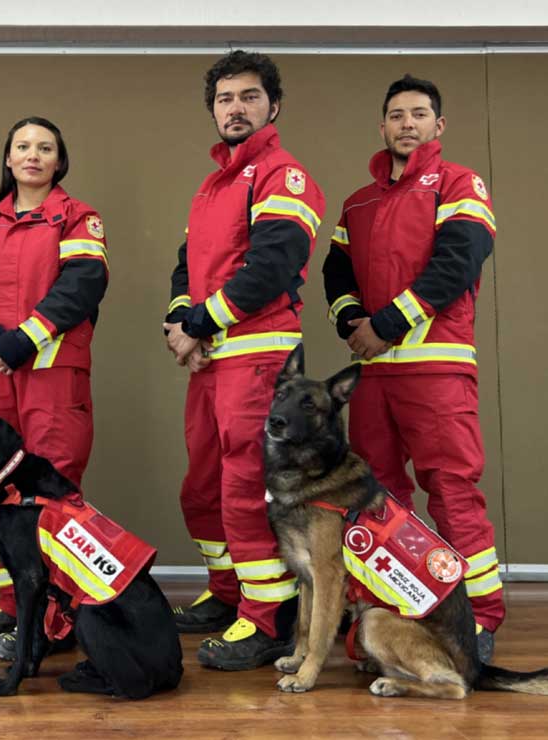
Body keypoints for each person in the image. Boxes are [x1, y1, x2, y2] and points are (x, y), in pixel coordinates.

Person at [322, 74, 502, 662]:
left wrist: (385, 325)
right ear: (382, 126)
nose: (407, 123)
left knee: (452, 490)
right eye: (396, 115)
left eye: (418, 114)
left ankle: (477, 620)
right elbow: (336, 271)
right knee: (378, 501)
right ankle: (394, 614)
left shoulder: (458, 182)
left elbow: (458, 262)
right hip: (375, 376)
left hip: (437, 368)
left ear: (438, 125)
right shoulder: (358, 202)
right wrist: (352, 322)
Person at [163, 50, 325, 670]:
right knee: (202, 487)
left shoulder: (283, 175)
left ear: (273, 106)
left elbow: (273, 267)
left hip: (259, 357)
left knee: (243, 488)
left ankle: (270, 619)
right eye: (226, 99)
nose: (236, 108)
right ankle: (228, 592)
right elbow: (188, 265)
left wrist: (200, 323)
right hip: (210, 359)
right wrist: (182, 322)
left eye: (249, 97)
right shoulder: (214, 186)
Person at [0, 117, 108, 651]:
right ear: (8, 159)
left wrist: (26, 339)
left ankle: (56, 618)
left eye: (45, 148)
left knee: (52, 495)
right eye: (22, 146)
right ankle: (14, 602)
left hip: (53, 376)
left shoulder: (78, 217)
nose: (33, 155)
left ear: (59, 162)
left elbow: (82, 282)